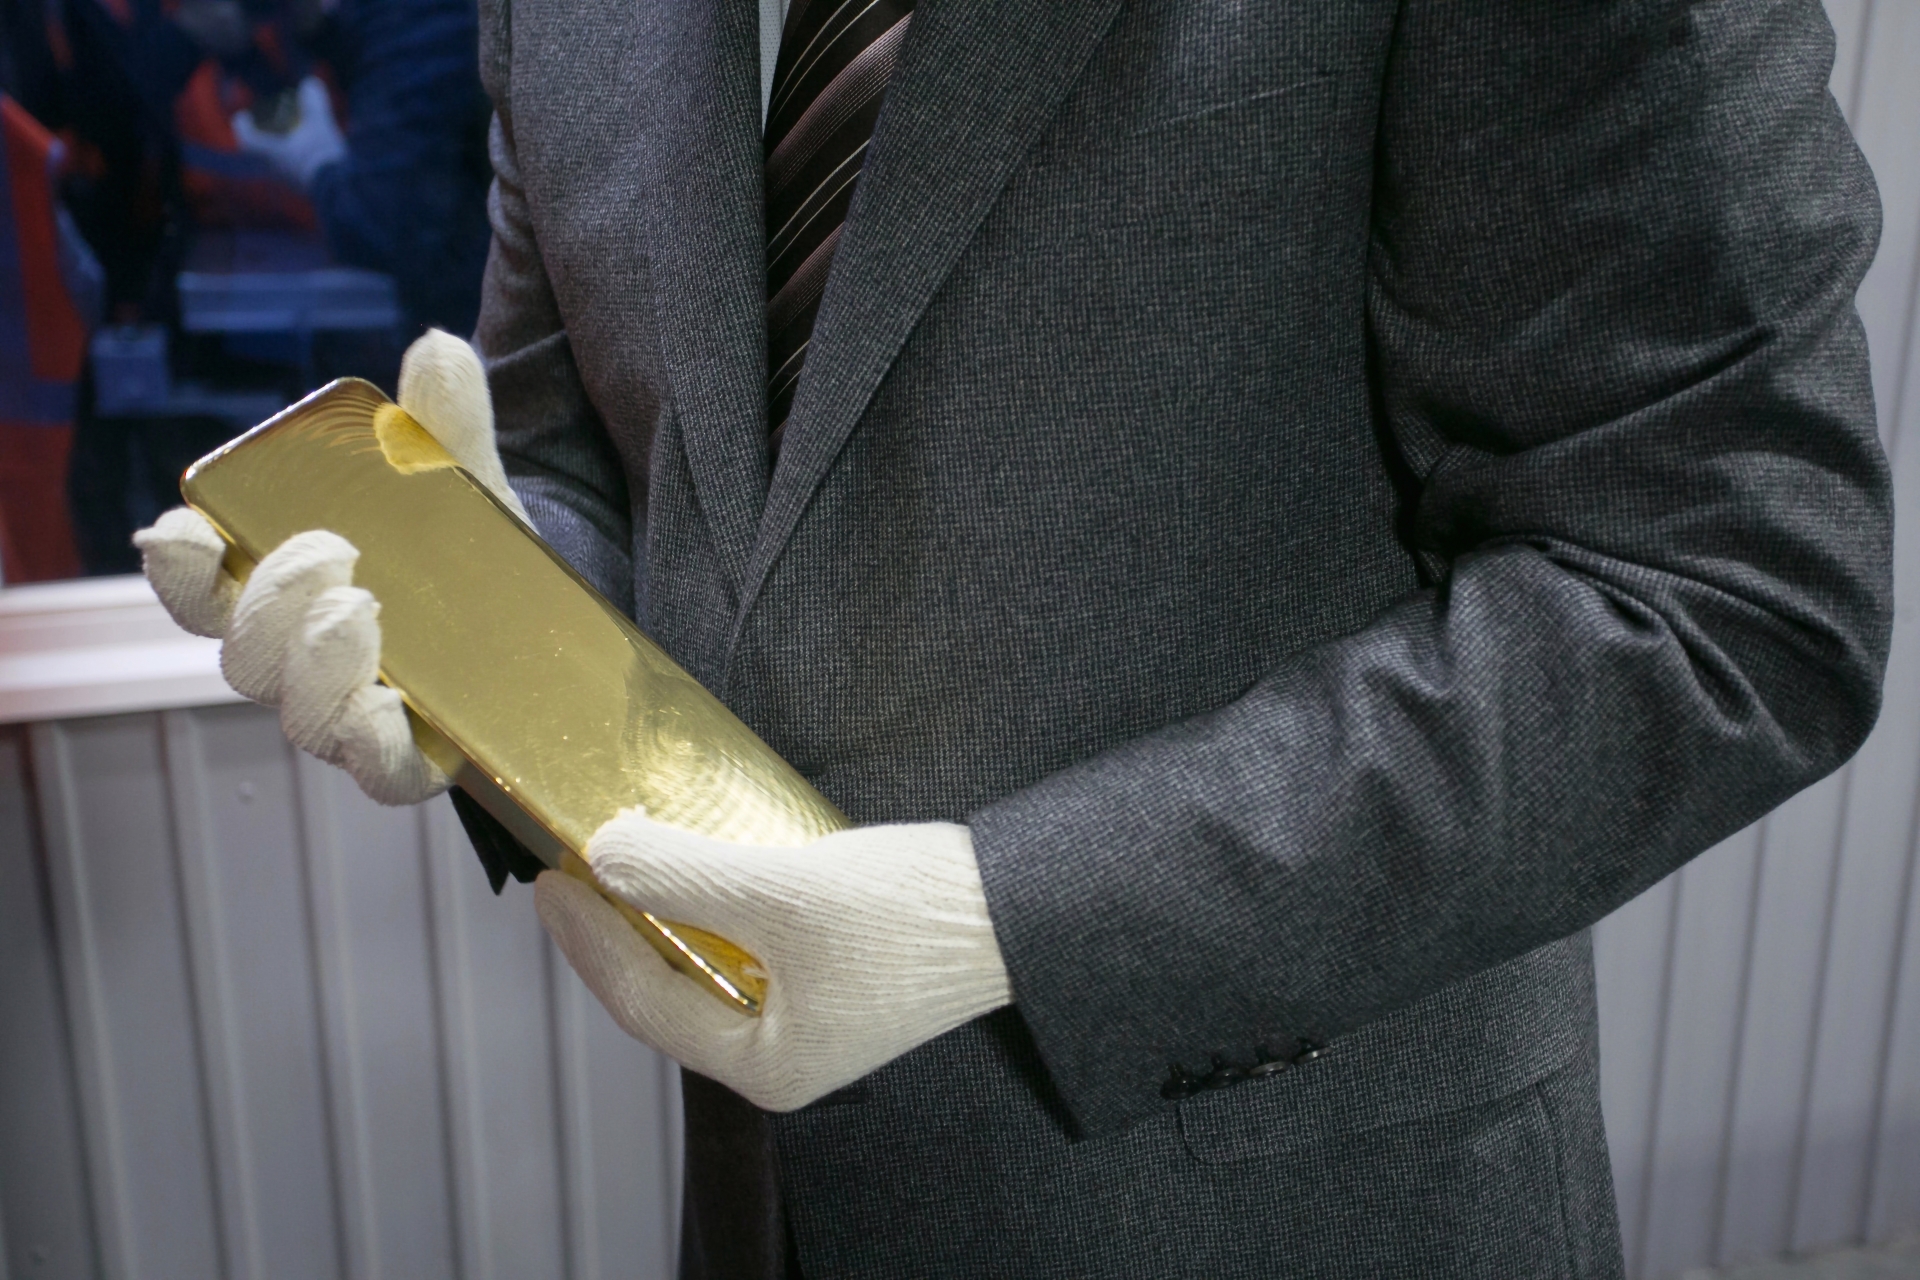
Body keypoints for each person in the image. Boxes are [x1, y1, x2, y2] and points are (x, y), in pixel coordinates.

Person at [137, 0, 1894, 1276]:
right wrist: (482, 622)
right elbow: (598, 447)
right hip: (764, 1205)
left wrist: (1005, 918)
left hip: (1286, 1211)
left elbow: (1726, 584)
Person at [229, 0, 493, 338]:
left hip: (476, 319)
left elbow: (378, 222)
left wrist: (315, 164)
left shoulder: (418, 21)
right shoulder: (380, 23)